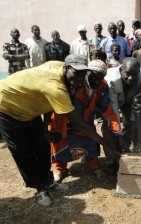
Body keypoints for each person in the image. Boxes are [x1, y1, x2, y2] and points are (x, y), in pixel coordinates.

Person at [0, 54, 117, 207]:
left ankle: (49, 182)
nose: (80, 78)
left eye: (83, 74)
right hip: (7, 106)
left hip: (30, 108)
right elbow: (80, 124)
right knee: (23, 153)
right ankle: (40, 189)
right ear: (67, 68)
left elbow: (48, 101)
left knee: (41, 147)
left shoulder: (59, 66)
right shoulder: (56, 87)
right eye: (77, 73)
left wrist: (44, 128)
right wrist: (105, 144)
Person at [49, 60, 122, 181]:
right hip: (64, 122)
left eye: (100, 78)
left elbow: (108, 110)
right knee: (59, 143)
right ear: (86, 73)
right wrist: (53, 128)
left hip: (86, 122)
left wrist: (116, 132)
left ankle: (93, 166)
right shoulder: (75, 83)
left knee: (91, 143)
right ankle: (59, 169)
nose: (97, 81)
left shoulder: (102, 86)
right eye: (94, 77)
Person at [105, 57, 141, 148]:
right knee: (109, 124)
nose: (131, 78)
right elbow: (114, 108)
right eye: (127, 74)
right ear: (121, 70)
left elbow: (135, 106)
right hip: (113, 99)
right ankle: (114, 148)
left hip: (130, 100)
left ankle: (125, 145)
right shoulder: (112, 81)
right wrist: (117, 133)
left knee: (130, 123)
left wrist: (132, 123)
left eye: (134, 74)